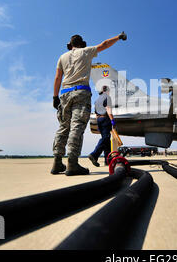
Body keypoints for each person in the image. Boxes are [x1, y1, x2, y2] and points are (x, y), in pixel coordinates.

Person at [51, 32, 127, 176]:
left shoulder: (62, 57)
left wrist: (55, 97)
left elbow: (57, 77)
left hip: (64, 94)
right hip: (81, 92)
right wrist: (118, 37)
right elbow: (104, 44)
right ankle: (72, 163)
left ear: (70, 45)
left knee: (63, 127)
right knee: (77, 127)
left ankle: (57, 162)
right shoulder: (86, 52)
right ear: (81, 44)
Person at [88, 86, 116, 166]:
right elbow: (108, 108)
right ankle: (94, 154)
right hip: (105, 119)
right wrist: (112, 120)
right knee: (105, 138)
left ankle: (108, 160)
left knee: (107, 141)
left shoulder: (97, 100)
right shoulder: (107, 97)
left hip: (99, 120)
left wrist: (99, 121)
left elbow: (96, 113)